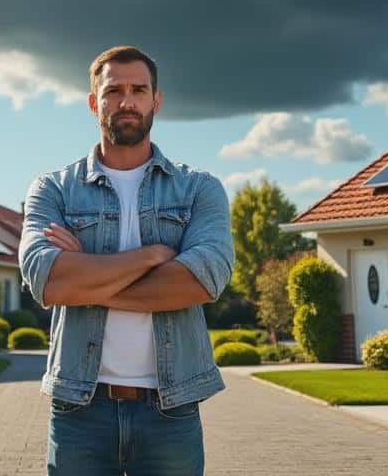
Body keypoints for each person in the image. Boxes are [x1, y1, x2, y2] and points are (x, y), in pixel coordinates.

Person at [19, 45, 234, 476]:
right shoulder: (54, 190)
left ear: (157, 100)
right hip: (80, 409)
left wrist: (88, 275)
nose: (127, 100)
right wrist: (153, 257)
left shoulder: (198, 190)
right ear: (94, 101)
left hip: (170, 411)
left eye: (139, 89)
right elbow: (48, 281)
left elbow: (203, 281)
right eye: (114, 90)